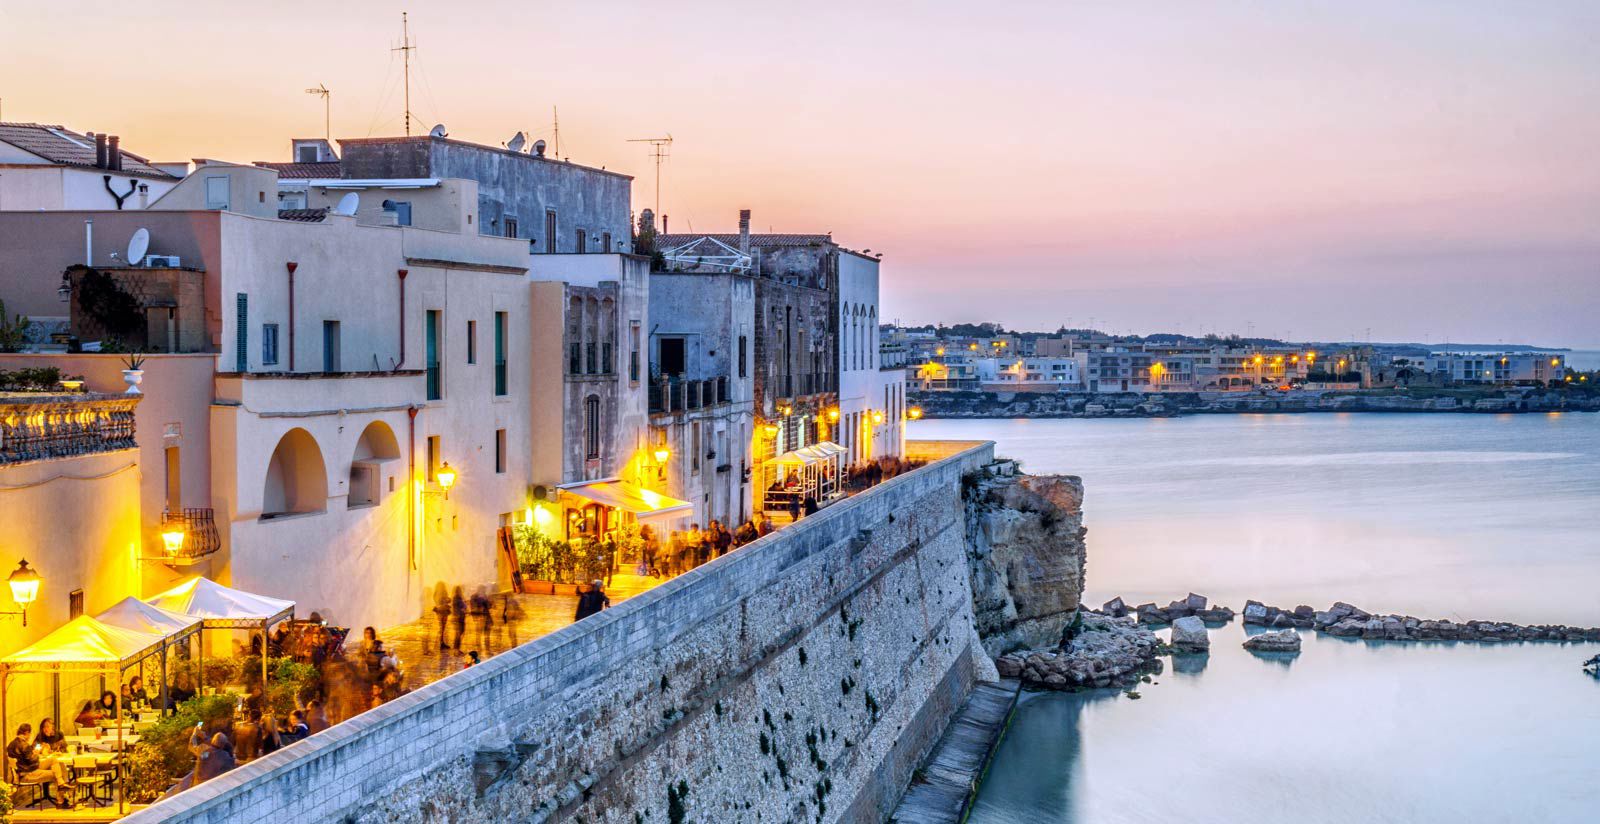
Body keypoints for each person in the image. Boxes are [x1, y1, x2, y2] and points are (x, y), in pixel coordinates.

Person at [8, 723, 74, 808]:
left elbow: (25, 759)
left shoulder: (12, 743)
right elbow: (31, 760)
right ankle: (61, 801)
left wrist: (35, 753)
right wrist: (36, 753)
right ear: (27, 733)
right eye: (29, 734)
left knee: (54, 761)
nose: (29, 736)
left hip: (27, 768)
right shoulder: (24, 745)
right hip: (28, 773)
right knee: (56, 774)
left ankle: (61, 784)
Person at [469, 587, 493, 654]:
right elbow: (487, 606)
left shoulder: (476, 597)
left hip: (481, 618)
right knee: (483, 634)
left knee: (481, 634)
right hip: (482, 617)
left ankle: (482, 650)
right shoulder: (479, 597)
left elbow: (473, 609)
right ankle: (484, 650)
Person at [432, 583, 452, 651]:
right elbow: (446, 601)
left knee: (441, 628)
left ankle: (441, 643)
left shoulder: (435, 594)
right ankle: (441, 643)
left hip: (439, 612)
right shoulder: (443, 593)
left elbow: (437, 602)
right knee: (442, 628)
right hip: (443, 612)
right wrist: (448, 599)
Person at [450, 586, 468, 652]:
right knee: (458, 634)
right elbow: (462, 606)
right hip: (459, 618)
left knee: (459, 633)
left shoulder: (457, 597)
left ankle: (457, 649)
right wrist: (464, 607)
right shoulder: (457, 597)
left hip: (460, 617)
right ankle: (456, 649)